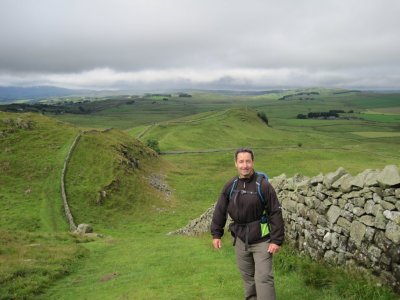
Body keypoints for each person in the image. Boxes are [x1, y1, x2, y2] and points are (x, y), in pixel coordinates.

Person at [211, 148, 284, 300]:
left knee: (263, 278)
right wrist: (216, 234)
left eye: (248, 161)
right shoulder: (230, 185)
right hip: (240, 239)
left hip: (262, 240)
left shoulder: (263, 185)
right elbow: (220, 209)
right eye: (241, 162)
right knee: (248, 278)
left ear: (253, 162)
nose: (245, 165)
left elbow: (275, 212)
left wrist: (276, 240)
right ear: (236, 164)